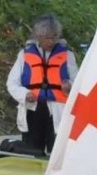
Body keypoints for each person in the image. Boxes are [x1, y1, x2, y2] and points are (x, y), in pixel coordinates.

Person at [5, 15, 77, 155]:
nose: (52, 41)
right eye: (48, 37)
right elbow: (12, 83)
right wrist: (25, 94)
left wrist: (69, 85)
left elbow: (79, 82)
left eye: (55, 37)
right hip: (32, 110)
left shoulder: (68, 55)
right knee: (30, 152)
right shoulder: (24, 55)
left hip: (57, 111)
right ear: (38, 36)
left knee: (57, 153)